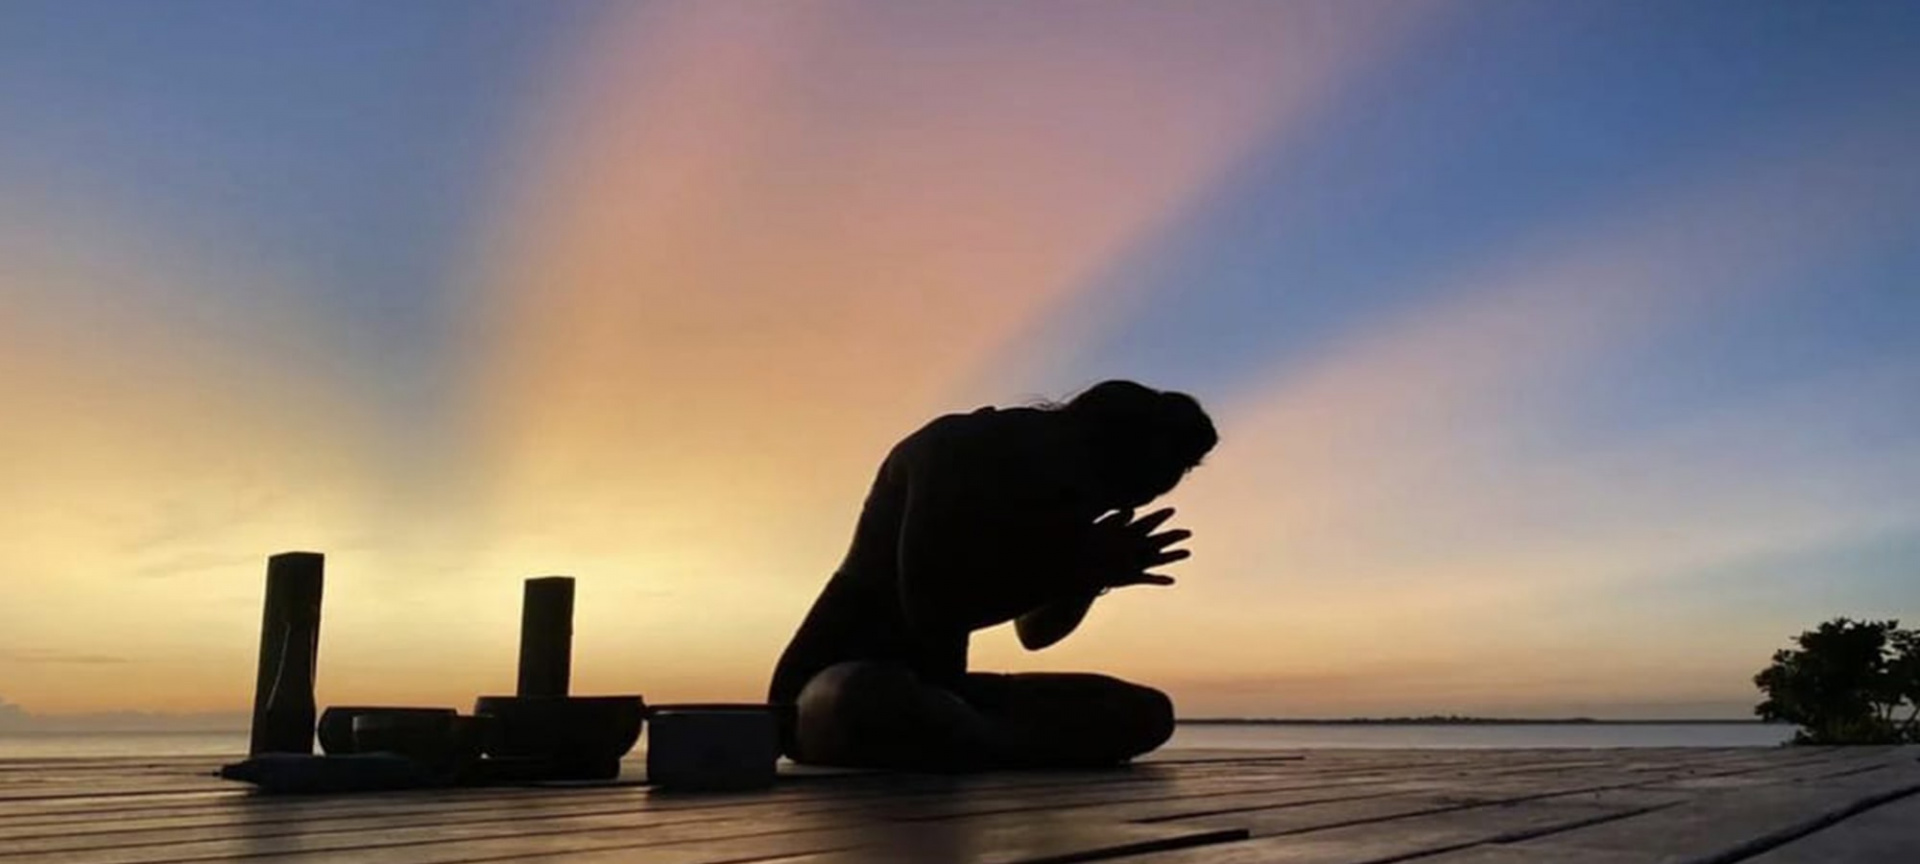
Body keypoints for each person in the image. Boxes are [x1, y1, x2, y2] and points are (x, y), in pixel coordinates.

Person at [768, 380, 1217, 770]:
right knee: (876, 698)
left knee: (1148, 712)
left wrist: (1089, 577)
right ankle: (988, 746)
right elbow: (931, 611)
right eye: (1117, 493)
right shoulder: (958, 448)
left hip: (946, 694)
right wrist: (1076, 568)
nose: (1113, 506)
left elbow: (1036, 633)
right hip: (835, 686)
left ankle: (974, 745)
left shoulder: (1070, 486)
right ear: (1094, 450)